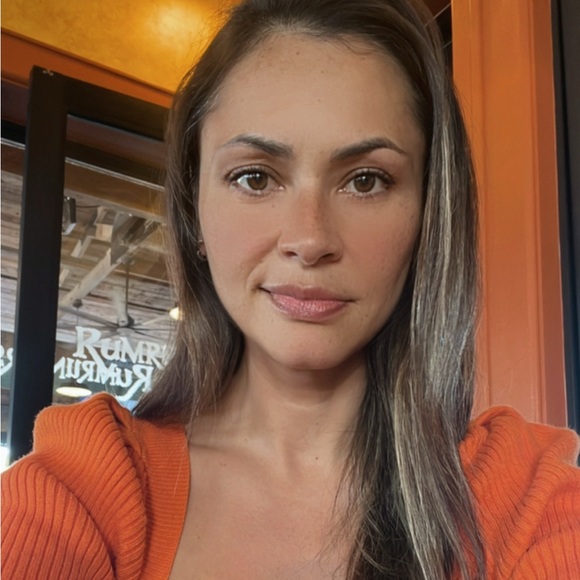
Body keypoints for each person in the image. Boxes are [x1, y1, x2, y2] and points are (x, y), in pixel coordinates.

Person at [2, 0, 580, 578]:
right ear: (193, 209)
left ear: (429, 214)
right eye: (255, 177)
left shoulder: (525, 497)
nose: (310, 239)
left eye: (366, 181)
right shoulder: (89, 482)